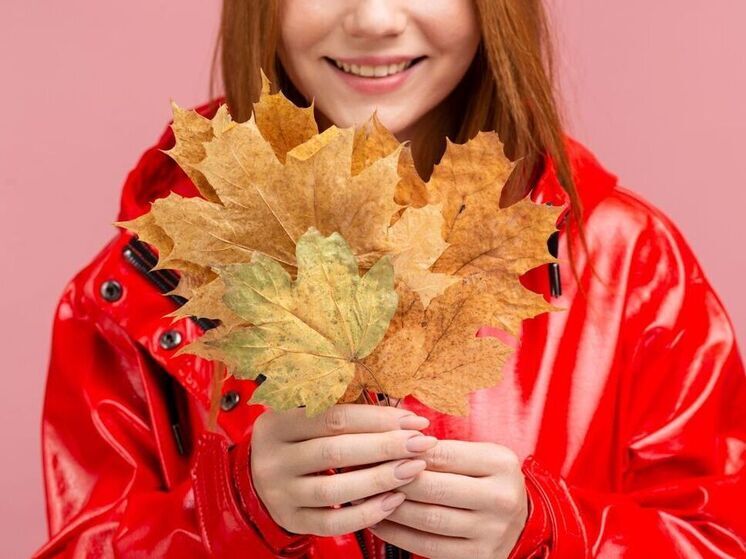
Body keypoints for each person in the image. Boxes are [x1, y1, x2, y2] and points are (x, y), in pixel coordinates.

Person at [35, 1, 746, 558]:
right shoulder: (138, 291)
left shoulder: (631, 267)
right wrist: (228, 513)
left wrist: (555, 532)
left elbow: (718, 536)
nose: (374, 19)